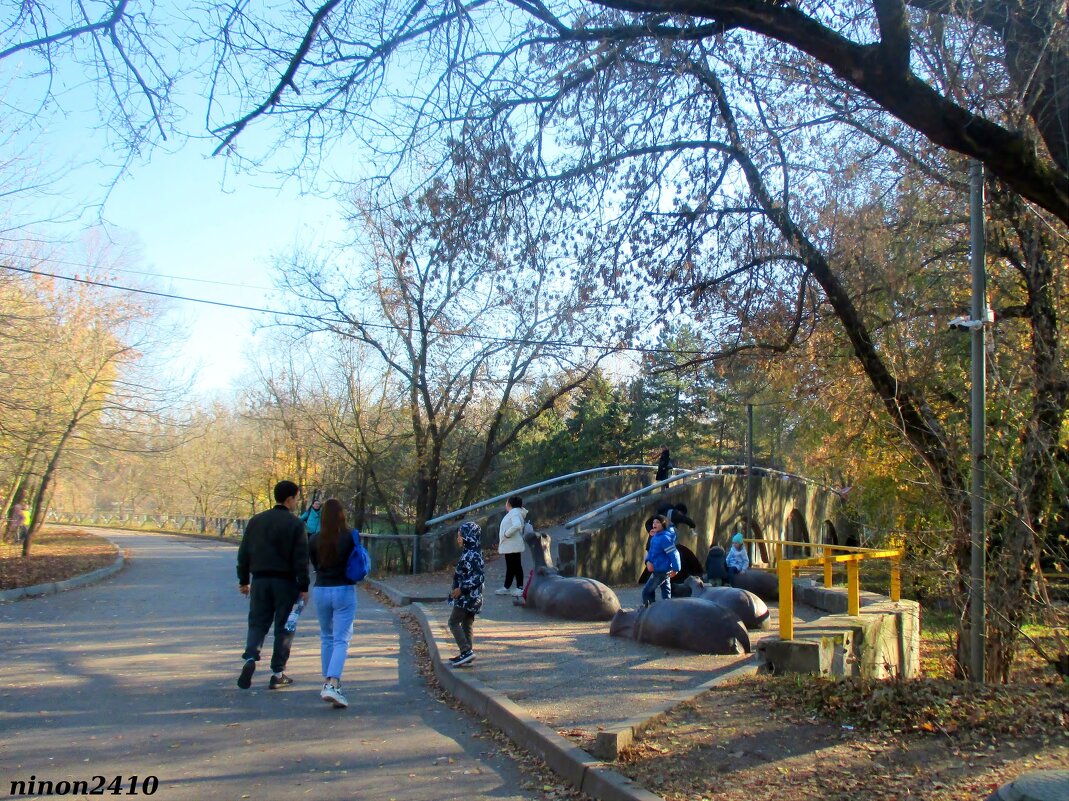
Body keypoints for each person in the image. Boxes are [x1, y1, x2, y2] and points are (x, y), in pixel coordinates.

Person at [236, 480, 310, 691]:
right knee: (284, 627)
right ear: (289, 499)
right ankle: (277, 673)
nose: (296, 502)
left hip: (260, 581)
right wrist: (304, 586)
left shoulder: (256, 521)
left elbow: (244, 553)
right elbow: (301, 559)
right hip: (286, 583)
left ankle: (250, 657)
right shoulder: (296, 524)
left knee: (258, 623)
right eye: (296, 498)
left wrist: (244, 580)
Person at [308, 498, 358, 709]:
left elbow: (313, 564)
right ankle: (333, 683)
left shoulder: (314, 540)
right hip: (344, 589)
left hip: (321, 589)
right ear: (341, 515)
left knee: (326, 637)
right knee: (341, 639)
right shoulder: (349, 537)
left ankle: (327, 681)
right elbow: (357, 559)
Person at [447, 521, 485, 667]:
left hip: (467, 597)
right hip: (473, 597)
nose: (458, 539)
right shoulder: (472, 552)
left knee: (453, 622)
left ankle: (465, 650)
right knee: (467, 623)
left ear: (468, 537)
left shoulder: (472, 555)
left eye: (460, 536)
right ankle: (467, 654)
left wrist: (461, 589)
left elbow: (478, 577)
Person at [641, 515, 680, 607]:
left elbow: (674, 554)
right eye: (654, 522)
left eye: (657, 522)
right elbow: (651, 552)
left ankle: (649, 612)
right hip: (659, 569)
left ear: (663, 524)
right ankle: (667, 610)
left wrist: (676, 569)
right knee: (666, 593)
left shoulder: (664, 538)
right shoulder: (655, 537)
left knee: (646, 592)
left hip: (661, 570)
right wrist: (648, 561)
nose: (654, 524)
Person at [495, 496, 528, 597]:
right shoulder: (516, 512)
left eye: (506, 502)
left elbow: (517, 525)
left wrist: (506, 534)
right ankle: (507, 587)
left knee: (516, 566)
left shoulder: (514, 512)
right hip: (512, 544)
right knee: (511, 566)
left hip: (512, 544)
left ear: (509, 504)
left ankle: (520, 587)